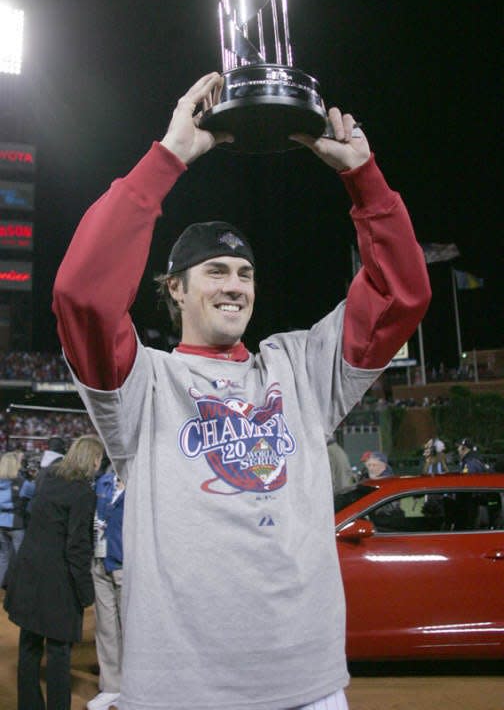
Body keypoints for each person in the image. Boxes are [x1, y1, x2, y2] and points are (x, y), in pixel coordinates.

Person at [52, 72, 431, 710]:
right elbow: (82, 295)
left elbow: (401, 295)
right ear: (173, 288)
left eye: (246, 272)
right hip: (182, 691)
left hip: (307, 684)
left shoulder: (298, 369)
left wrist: (364, 178)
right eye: (216, 271)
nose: (236, 285)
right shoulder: (142, 384)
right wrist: (167, 159)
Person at [4, 434, 103, 710]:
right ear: (91, 460)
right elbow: (77, 547)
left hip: (29, 574)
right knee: (59, 652)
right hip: (57, 584)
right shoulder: (83, 493)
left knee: (29, 645)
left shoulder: (48, 478)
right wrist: (86, 592)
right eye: (98, 459)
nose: (99, 464)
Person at [87, 470, 125, 710]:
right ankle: (111, 687)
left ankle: (135, 686)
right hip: (100, 561)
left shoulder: (142, 481)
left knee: (133, 628)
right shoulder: (103, 480)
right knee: (106, 628)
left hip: (128, 565)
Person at [0, 452, 32, 588]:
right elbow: (35, 495)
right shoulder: (23, 483)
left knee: (3, 557)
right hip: (17, 523)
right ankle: (20, 588)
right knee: (21, 557)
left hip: (0, 523)